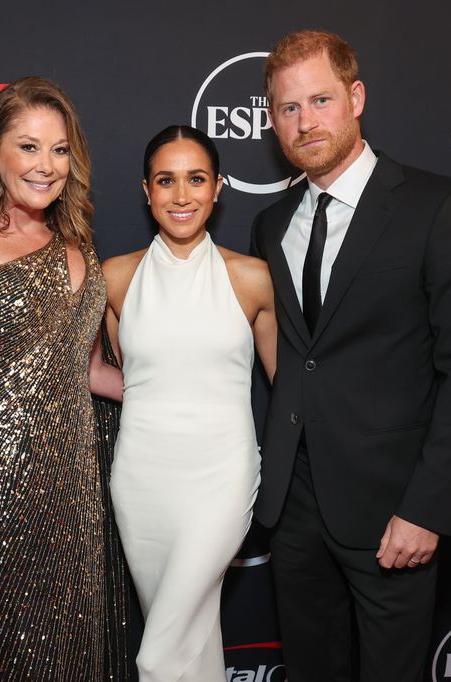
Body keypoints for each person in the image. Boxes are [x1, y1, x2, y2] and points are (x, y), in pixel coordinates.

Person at [249, 30, 451, 681]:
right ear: (273, 120)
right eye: (288, 108)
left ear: (356, 97)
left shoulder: (438, 207)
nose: (305, 122)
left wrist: (427, 507)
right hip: (295, 510)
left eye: (321, 99)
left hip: (394, 511)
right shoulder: (272, 226)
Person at [0, 76, 126, 681]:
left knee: (62, 652)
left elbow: (88, 371)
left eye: (59, 149)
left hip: (72, 490)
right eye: (28, 146)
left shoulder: (80, 246)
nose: (46, 165)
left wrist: (185, 395)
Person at [103, 125, 277, 682]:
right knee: (192, 638)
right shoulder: (116, 278)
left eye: (196, 179)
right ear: (146, 191)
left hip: (222, 475)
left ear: (218, 188)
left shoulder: (252, 279)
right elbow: (117, 374)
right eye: (166, 181)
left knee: (160, 653)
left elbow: (291, 384)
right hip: (142, 476)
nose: (182, 196)